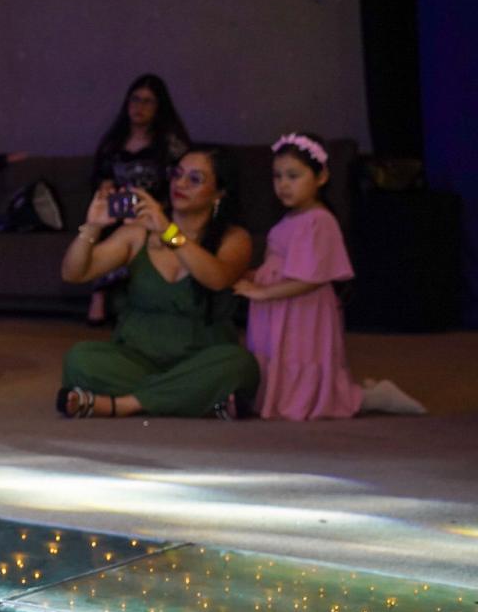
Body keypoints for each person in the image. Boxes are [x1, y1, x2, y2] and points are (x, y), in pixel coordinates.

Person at [58, 145, 260, 418]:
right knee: (79, 359)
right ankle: (193, 398)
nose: (180, 183)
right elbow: (74, 273)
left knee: (239, 365)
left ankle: (123, 404)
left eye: (195, 179)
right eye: (177, 174)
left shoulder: (235, 238)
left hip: (200, 357)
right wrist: (92, 226)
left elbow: (217, 279)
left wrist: (168, 231)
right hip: (137, 357)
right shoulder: (137, 233)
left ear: (219, 193)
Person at [236, 132, 425, 419]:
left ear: (321, 176)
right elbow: (279, 263)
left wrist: (262, 292)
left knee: (299, 355)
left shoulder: (319, 220)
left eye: (293, 176)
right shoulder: (289, 218)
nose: (283, 184)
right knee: (277, 355)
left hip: (301, 309)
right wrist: (255, 276)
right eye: (277, 176)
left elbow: (310, 279)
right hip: (278, 306)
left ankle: (371, 397)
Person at [85, 74, 192, 325]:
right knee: (102, 222)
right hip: (119, 208)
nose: (139, 107)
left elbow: (182, 179)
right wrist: (105, 187)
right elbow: (100, 176)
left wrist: (158, 207)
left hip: (157, 209)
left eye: (148, 101)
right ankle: (99, 296)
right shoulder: (113, 143)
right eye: (135, 99)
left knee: (154, 227)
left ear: (159, 107)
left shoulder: (171, 144)